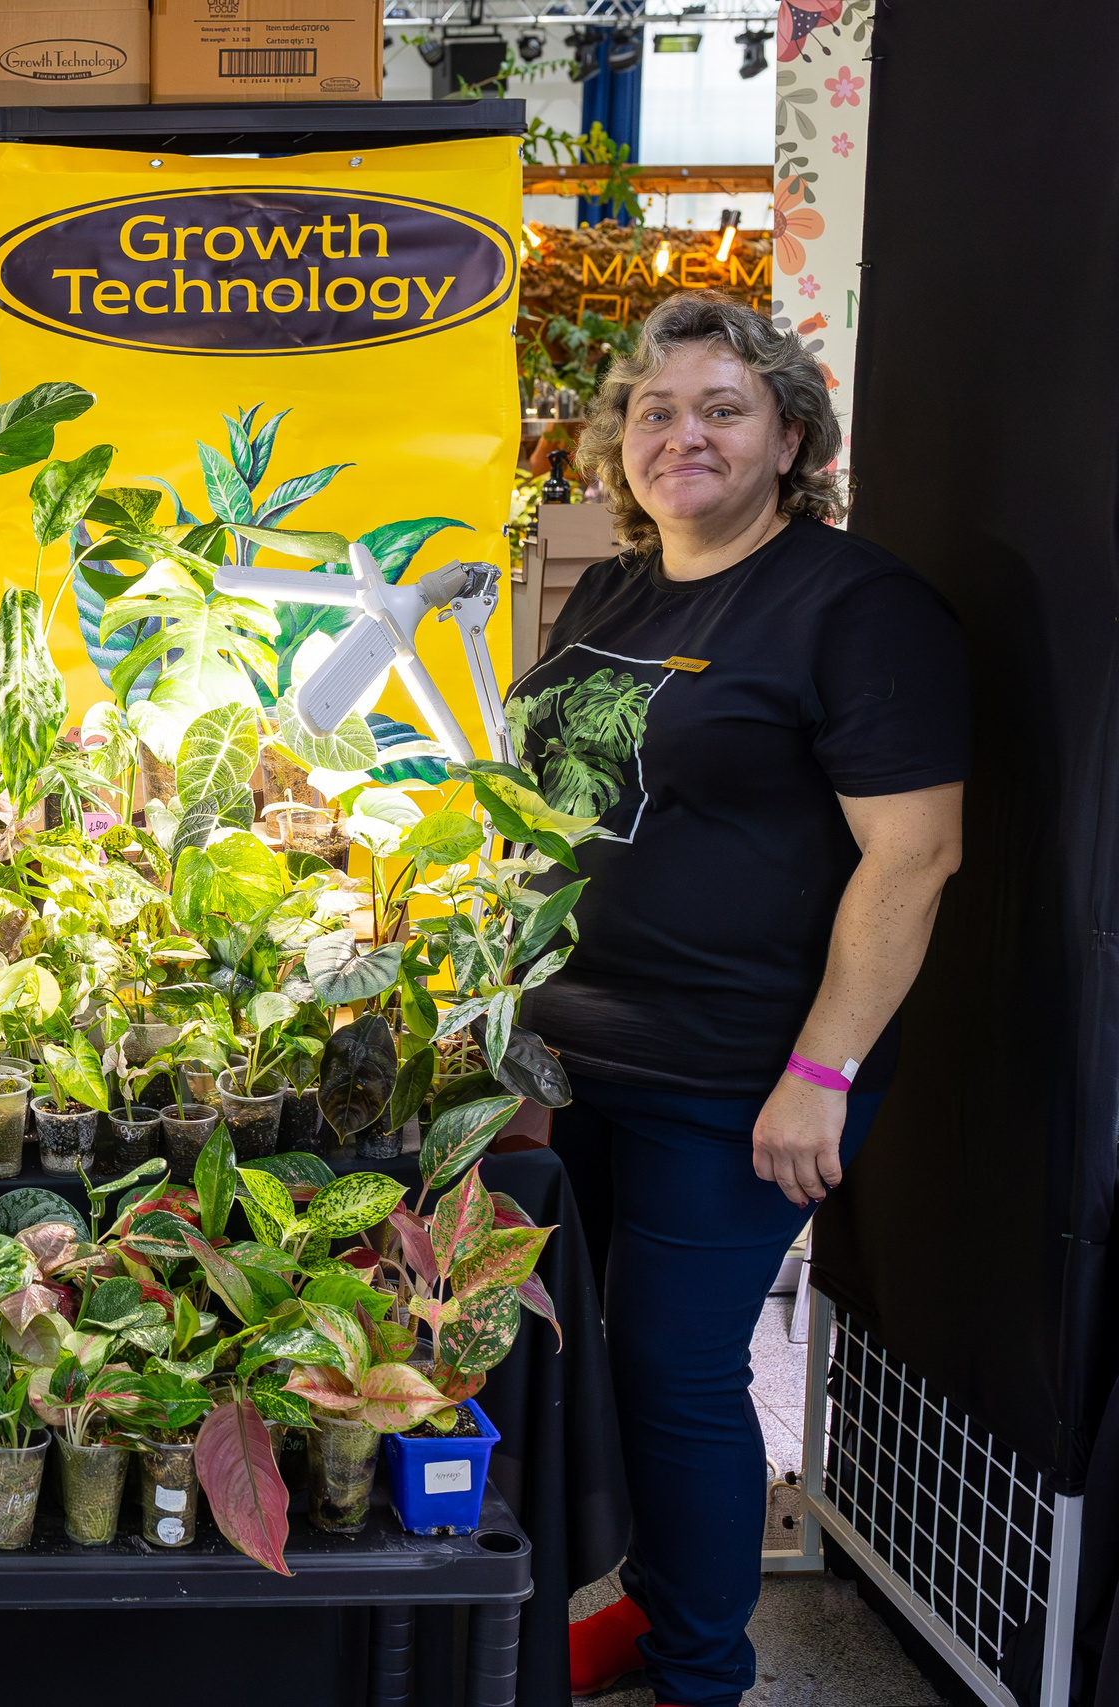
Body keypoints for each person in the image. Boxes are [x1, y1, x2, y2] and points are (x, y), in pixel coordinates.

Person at [515, 290, 969, 1707]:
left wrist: (823, 1072)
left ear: (789, 433)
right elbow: (561, 811)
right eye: (654, 409)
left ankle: (702, 1671)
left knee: (675, 1369)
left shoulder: (856, 605)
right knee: (577, 1362)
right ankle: (656, 1614)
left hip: (740, 1068)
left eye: (721, 406)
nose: (681, 434)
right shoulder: (616, 586)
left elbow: (917, 849)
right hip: (576, 1047)